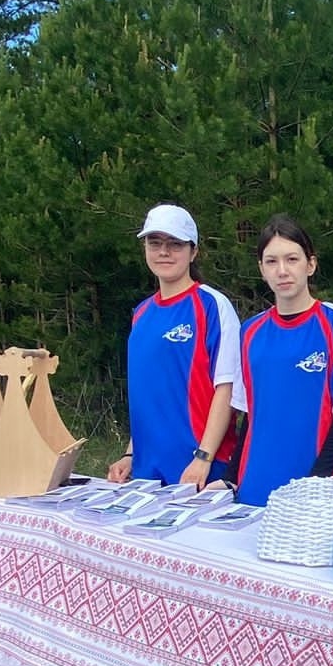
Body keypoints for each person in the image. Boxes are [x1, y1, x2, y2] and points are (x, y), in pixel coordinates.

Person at [225, 214, 333, 507]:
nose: (282, 271)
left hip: (320, 493)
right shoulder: (249, 332)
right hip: (256, 488)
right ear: (261, 269)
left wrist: (312, 486)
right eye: (271, 261)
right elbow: (250, 418)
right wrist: (231, 477)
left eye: (292, 259)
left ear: (311, 264)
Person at [107, 203, 239, 488]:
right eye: (155, 243)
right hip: (147, 470)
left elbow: (227, 389)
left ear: (193, 251)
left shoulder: (212, 305)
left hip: (199, 469)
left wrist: (204, 457)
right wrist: (130, 454)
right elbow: (149, 396)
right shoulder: (142, 314)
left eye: (175, 244)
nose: (164, 252)